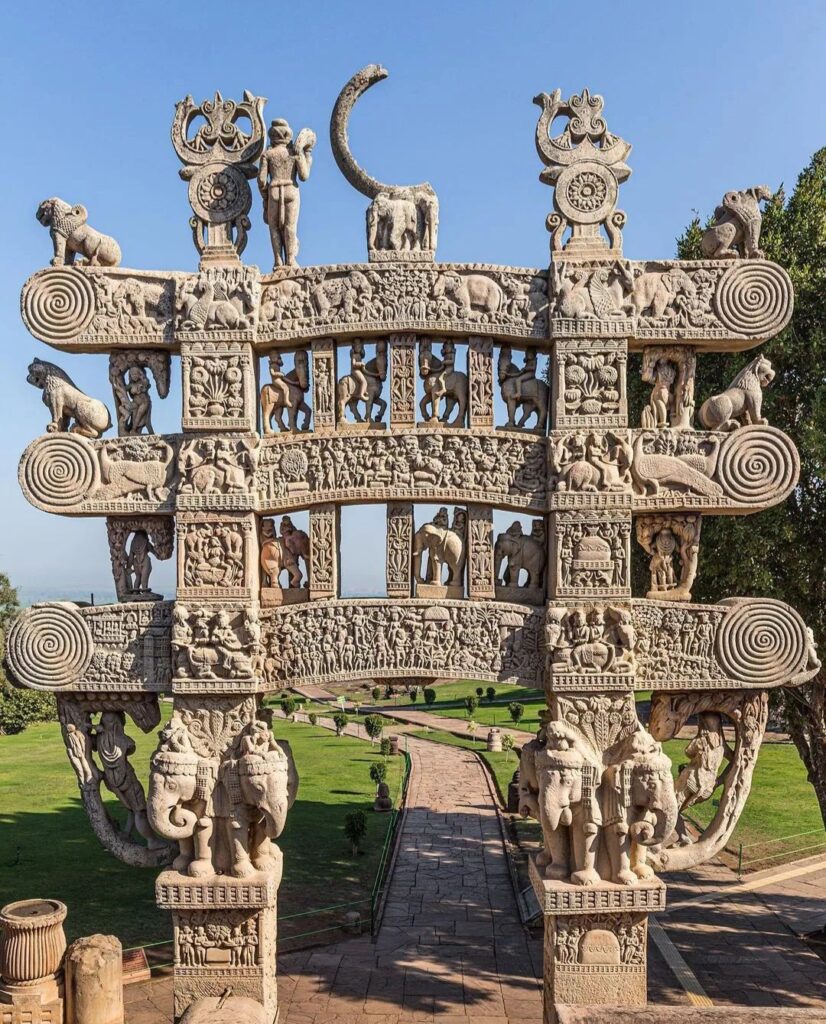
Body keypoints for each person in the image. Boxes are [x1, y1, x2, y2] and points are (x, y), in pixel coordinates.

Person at [257, 119, 315, 267]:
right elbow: (304, 176)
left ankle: (278, 260)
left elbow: (262, 181)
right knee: (290, 226)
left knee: (274, 227)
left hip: (274, 190)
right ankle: (290, 259)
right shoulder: (295, 154)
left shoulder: (268, 154)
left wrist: (265, 197)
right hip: (291, 190)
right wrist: (307, 156)